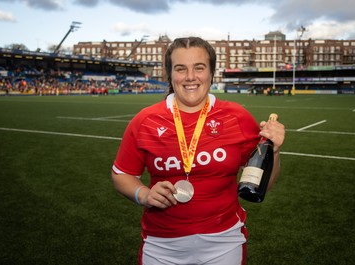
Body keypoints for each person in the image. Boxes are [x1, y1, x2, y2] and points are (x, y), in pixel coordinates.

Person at [111, 37, 285, 265]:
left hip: (224, 242)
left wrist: (276, 150)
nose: (190, 77)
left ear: (211, 73)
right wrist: (144, 194)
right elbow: (121, 174)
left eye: (199, 68)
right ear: (170, 75)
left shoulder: (237, 117)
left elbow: (263, 183)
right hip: (161, 245)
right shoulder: (145, 120)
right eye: (180, 69)